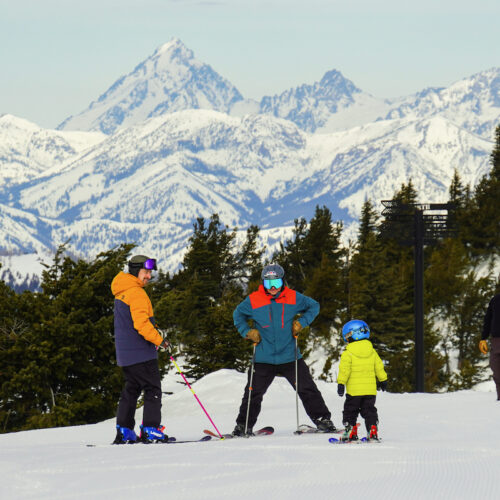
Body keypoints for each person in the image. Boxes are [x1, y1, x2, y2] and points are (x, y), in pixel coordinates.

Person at [232, 263, 336, 436]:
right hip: (263, 357)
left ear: (283, 282)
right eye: (268, 284)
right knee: (252, 393)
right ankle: (243, 426)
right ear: (262, 283)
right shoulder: (253, 300)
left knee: (307, 388)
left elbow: (314, 306)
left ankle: (323, 420)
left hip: (290, 356)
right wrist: (247, 332)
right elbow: (238, 315)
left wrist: (301, 323)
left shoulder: (293, 297)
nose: (273, 288)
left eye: (277, 283)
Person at [111, 254, 169, 444]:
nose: (149, 276)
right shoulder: (136, 293)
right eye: (146, 272)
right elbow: (142, 325)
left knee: (131, 389)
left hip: (126, 355)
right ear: (136, 271)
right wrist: (160, 340)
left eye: (150, 272)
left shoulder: (122, 291)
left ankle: (125, 430)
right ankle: (151, 429)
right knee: (152, 388)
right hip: (141, 353)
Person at [337, 319, 387, 442]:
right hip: (370, 391)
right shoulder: (372, 351)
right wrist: (383, 379)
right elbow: (379, 367)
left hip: (354, 392)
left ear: (351, 335)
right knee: (369, 411)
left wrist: (341, 383)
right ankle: (372, 431)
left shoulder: (348, 353)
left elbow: (344, 370)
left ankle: (350, 432)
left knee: (350, 411)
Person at [479, 291, 500, 400]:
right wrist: (483, 338)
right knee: (496, 368)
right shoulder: (495, 300)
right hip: (496, 341)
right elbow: (488, 320)